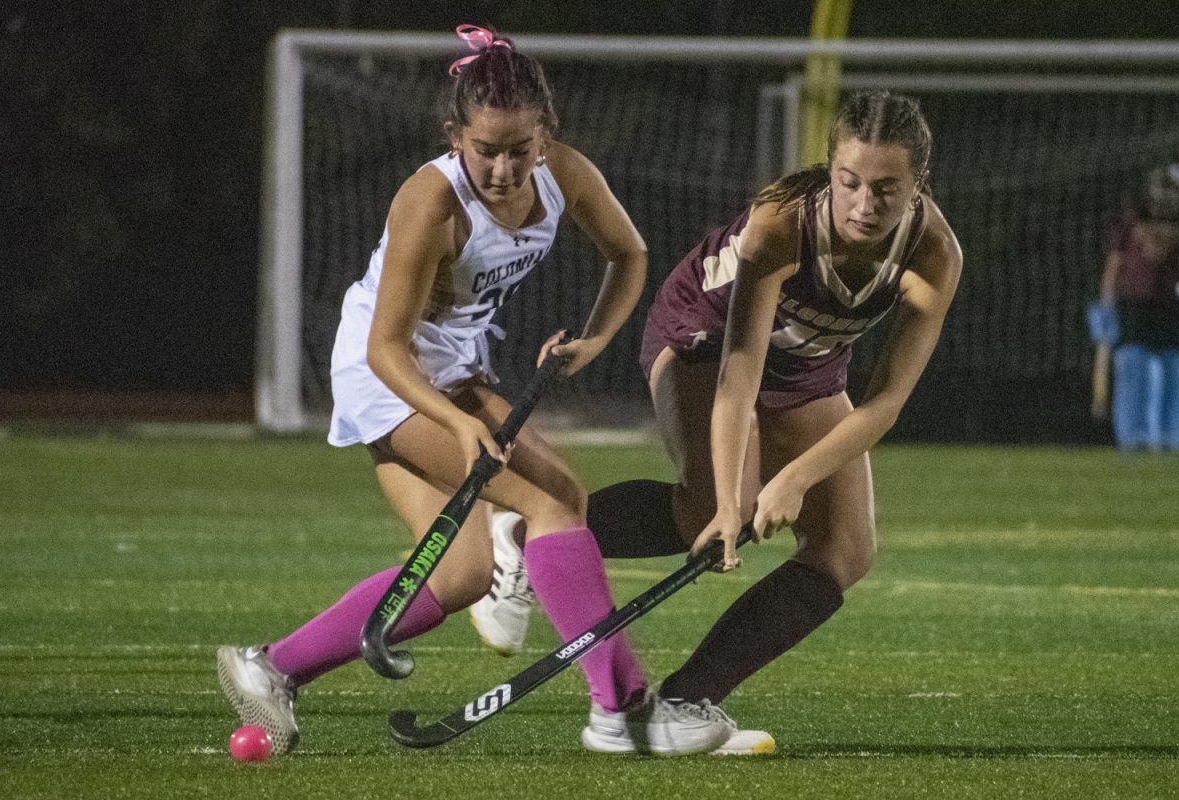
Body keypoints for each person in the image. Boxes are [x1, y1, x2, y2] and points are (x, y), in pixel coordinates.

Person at [216, 25, 735, 756]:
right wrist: (458, 428)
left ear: (545, 137)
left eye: (519, 149)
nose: (501, 167)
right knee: (555, 498)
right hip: (387, 374)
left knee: (460, 575)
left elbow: (630, 253)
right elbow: (384, 347)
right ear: (454, 135)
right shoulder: (430, 201)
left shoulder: (566, 176)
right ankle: (621, 708)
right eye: (484, 148)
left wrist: (593, 338)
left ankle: (271, 667)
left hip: (456, 363)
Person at [473, 90, 963, 745]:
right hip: (704, 334)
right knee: (717, 503)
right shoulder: (782, 224)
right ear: (829, 171)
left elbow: (885, 402)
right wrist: (735, 507)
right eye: (849, 183)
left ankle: (684, 701)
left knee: (845, 549)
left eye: (886, 189)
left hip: (808, 367)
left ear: (918, 185)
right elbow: (738, 377)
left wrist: (796, 479)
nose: (863, 205)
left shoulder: (934, 253)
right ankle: (524, 536)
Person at [1089, 161, 1179, 450]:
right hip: (1133, 303)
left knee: (1171, 368)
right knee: (1134, 365)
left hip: (1168, 303)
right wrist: (1106, 303)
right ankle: (1135, 437)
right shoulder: (1131, 219)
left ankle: (1170, 436)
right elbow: (1115, 262)